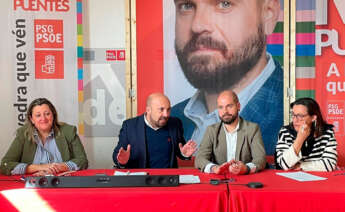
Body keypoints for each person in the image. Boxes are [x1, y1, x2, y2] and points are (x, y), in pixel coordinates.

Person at [171, 0, 283, 155]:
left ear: (268, 14)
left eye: (224, 4)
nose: (197, 25)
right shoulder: (171, 120)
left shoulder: (290, 116)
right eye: (187, 6)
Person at [0, 98, 88, 176]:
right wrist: (40, 167)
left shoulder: (68, 131)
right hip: (32, 185)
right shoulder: (23, 134)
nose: (43, 118)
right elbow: (5, 165)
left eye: (47, 114)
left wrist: (57, 168)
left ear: (53, 115)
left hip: (63, 182)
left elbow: (82, 161)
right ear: (31, 119)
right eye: (38, 115)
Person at [113, 93, 197, 168]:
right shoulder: (130, 126)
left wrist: (184, 154)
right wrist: (122, 161)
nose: (166, 114)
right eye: (161, 109)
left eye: (168, 109)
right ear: (148, 110)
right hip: (141, 179)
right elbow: (117, 154)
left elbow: (180, 149)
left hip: (168, 179)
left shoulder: (175, 123)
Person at [195, 90, 266, 174]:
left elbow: (260, 159)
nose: (225, 111)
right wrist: (214, 168)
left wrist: (246, 168)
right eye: (221, 107)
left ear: (238, 106)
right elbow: (199, 158)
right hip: (219, 181)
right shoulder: (212, 130)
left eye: (229, 106)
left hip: (245, 180)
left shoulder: (252, 129)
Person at [275, 98, 337, 171]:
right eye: (293, 115)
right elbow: (283, 164)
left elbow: (330, 164)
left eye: (300, 116)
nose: (295, 120)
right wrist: (300, 139)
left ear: (313, 117)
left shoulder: (327, 132)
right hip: (291, 179)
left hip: (319, 179)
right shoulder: (285, 131)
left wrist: (301, 165)